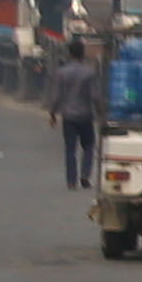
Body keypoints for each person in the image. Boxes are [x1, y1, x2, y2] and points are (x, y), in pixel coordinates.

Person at [45, 35, 103, 191]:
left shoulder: (62, 73)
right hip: (85, 115)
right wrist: (100, 113)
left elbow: (56, 96)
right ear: (82, 54)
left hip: (68, 116)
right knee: (89, 146)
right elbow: (96, 96)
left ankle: (71, 181)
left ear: (69, 54)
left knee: (70, 149)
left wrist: (52, 114)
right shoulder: (89, 73)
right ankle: (85, 175)